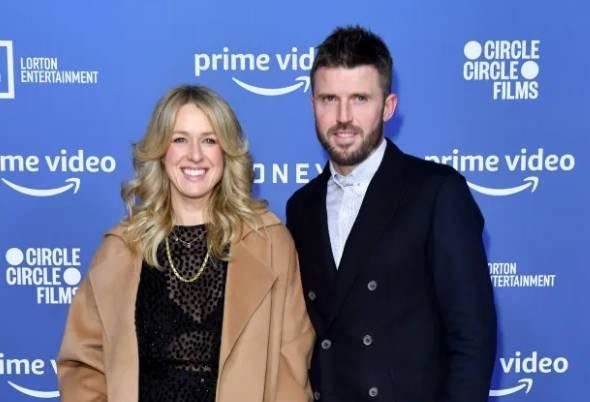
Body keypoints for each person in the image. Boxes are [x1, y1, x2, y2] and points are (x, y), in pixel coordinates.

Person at [57, 85, 314, 402]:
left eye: (209, 140)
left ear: (226, 152)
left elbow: (291, 366)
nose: (195, 154)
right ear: (160, 151)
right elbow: (83, 365)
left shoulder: (269, 244)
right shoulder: (121, 248)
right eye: (180, 139)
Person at [286, 26, 496, 402]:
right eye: (329, 99)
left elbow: (472, 340)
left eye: (360, 99)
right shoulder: (301, 206)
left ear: (388, 106)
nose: (343, 117)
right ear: (312, 103)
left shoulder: (436, 192)